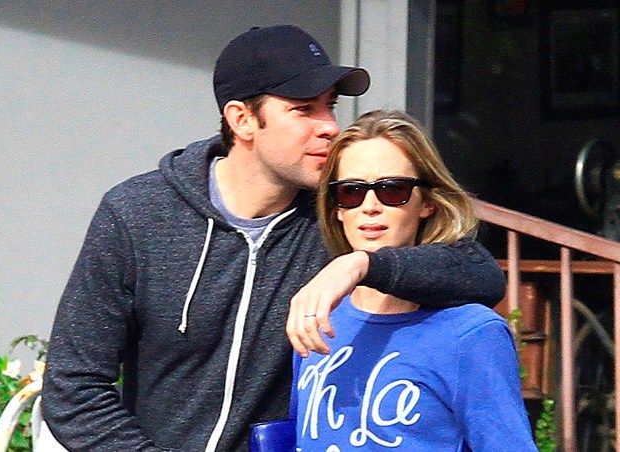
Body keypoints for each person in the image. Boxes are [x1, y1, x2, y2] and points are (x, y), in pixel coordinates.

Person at [41, 25, 506, 451]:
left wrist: (358, 264)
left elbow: (479, 274)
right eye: (304, 109)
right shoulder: (138, 214)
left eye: (330, 106)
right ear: (242, 120)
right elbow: (73, 389)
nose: (329, 125)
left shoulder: (337, 215)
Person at [291, 110, 535, 451]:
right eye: (351, 191)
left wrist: (361, 265)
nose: (370, 206)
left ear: (427, 203)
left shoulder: (471, 333)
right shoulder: (319, 318)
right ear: (337, 208)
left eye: (393, 190)